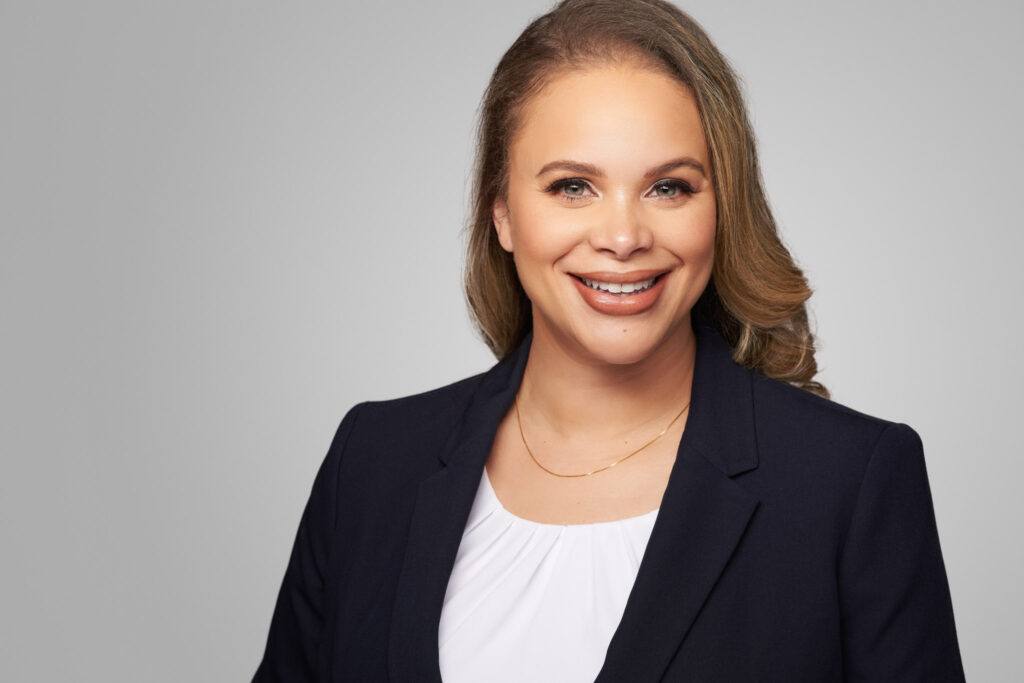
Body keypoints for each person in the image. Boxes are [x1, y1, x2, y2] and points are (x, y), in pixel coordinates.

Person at [253, 0, 965, 680]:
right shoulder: (373, 461)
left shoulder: (851, 480)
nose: (623, 237)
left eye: (669, 188)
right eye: (571, 186)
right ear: (501, 213)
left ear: (722, 209)